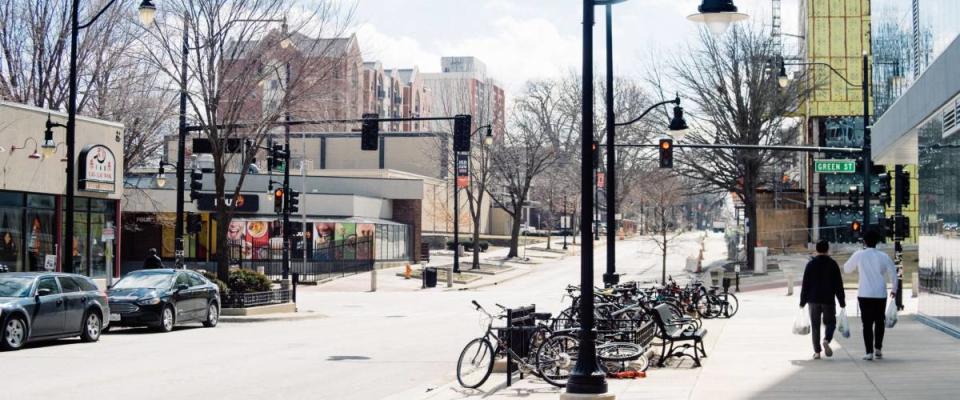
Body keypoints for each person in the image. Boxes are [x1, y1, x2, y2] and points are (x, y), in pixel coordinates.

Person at [843, 229, 897, 361]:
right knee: (879, 321)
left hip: (865, 293)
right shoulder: (883, 256)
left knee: (866, 324)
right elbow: (893, 273)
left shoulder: (859, 254)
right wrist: (894, 289)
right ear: (877, 242)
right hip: (880, 293)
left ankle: (869, 352)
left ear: (864, 241)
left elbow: (847, 269)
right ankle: (878, 348)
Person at [800, 240, 846, 359]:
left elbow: (805, 284)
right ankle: (826, 339)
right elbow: (838, 285)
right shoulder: (833, 264)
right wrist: (842, 301)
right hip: (828, 299)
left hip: (813, 300)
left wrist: (802, 301)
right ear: (827, 250)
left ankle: (817, 352)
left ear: (816, 250)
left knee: (815, 326)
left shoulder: (810, 265)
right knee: (830, 323)